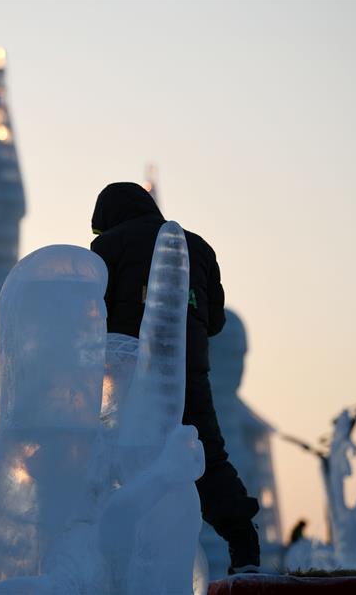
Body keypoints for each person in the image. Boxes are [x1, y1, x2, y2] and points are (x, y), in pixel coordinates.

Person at [90, 181, 261, 575]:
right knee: (207, 457)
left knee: (113, 460)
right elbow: (215, 320)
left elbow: (92, 315)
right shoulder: (197, 247)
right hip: (188, 372)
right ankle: (243, 541)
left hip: (128, 373)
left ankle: (117, 561)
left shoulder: (107, 249)